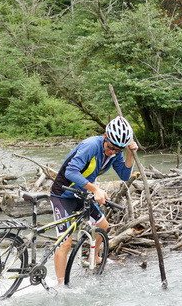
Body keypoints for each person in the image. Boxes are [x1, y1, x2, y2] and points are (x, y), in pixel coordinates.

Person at [50, 116, 138, 284]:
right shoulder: (91, 145)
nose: (112, 152)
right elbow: (70, 172)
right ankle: (60, 286)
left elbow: (125, 175)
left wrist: (129, 154)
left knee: (103, 226)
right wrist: (96, 189)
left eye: (117, 150)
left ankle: (95, 257)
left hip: (81, 193)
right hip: (62, 194)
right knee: (65, 243)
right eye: (111, 147)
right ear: (105, 136)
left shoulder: (115, 152)